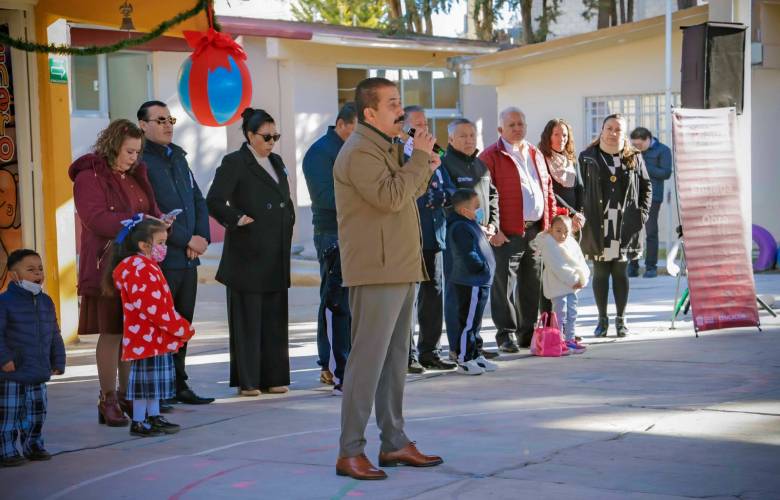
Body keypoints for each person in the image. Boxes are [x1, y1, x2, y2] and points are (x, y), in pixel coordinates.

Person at [334, 77, 442, 480]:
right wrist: (418, 160)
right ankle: (350, 451)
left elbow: (407, 192)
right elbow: (391, 197)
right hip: (376, 268)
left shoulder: (386, 146)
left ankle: (394, 441)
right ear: (370, 112)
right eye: (393, 103)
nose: (401, 110)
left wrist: (424, 164)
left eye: (400, 102)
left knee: (395, 361)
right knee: (367, 362)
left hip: (398, 264)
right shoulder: (360, 151)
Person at [69, 119, 165, 427]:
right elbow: (95, 218)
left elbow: (150, 210)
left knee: (131, 331)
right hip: (107, 265)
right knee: (111, 332)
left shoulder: (136, 175)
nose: (134, 158)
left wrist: (160, 222)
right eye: (129, 151)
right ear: (112, 146)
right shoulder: (90, 176)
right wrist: (138, 222)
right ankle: (107, 398)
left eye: (137, 152)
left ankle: (127, 394)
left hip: (137, 267)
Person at [207, 108, 295, 396]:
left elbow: (284, 198)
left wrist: (289, 219)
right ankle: (249, 380)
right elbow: (214, 200)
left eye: (275, 137)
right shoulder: (235, 162)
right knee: (248, 320)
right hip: (247, 254)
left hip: (275, 252)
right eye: (266, 137)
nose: (271, 142)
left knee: (274, 318)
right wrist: (237, 219)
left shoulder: (276, 161)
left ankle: (274, 376)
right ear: (249, 135)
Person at [138, 100, 213, 405]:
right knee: (161, 322)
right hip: (164, 258)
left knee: (182, 322)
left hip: (188, 258)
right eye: (160, 120)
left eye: (170, 119)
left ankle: (180, 382)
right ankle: (162, 387)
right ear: (143, 125)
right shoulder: (141, 161)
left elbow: (198, 199)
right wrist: (186, 240)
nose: (168, 125)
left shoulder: (178, 157)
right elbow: (152, 211)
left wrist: (202, 237)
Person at [108, 217, 194, 437]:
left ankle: (153, 416)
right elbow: (152, 307)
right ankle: (139, 421)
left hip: (155, 337)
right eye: (161, 243)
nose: (164, 248)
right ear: (144, 245)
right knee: (144, 385)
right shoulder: (139, 269)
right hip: (145, 338)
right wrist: (179, 327)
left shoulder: (147, 266)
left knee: (154, 384)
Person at [479, 107, 556, 352]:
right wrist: (493, 229)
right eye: (511, 125)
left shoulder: (535, 153)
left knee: (531, 284)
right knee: (504, 286)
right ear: (500, 129)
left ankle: (527, 333)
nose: (517, 128)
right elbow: (482, 197)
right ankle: (505, 334)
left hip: (535, 231)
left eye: (520, 124)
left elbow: (547, 189)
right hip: (506, 232)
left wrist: (549, 224)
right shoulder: (490, 156)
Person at [579, 114, 652, 338]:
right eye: (609, 128)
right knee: (601, 272)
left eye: (618, 129)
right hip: (598, 224)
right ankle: (602, 320)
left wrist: (642, 214)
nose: (613, 133)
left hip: (624, 224)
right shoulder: (587, 156)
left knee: (620, 271)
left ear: (624, 133)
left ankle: (621, 319)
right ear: (602, 130)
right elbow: (580, 189)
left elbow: (646, 186)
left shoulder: (634, 156)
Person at [302, 102, 357, 394]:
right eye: (356, 129)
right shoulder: (320, 152)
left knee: (355, 303)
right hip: (332, 234)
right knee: (336, 302)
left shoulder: (356, 149)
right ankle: (331, 365)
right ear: (341, 124)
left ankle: (352, 362)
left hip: (358, 232)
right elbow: (325, 197)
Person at [403, 105, 456, 372]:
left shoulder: (435, 152)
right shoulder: (400, 154)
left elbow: (449, 188)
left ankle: (430, 352)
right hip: (411, 235)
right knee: (409, 300)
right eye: (418, 124)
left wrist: (442, 196)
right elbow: (406, 191)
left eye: (425, 123)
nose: (424, 128)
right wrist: (429, 197)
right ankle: (407, 355)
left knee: (434, 295)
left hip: (435, 235)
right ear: (405, 128)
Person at [0, 249, 65, 467]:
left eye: (40, 269)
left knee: (36, 413)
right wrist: (4, 359)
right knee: (9, 415)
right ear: (14, 275)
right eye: (30, 269)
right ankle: (6, 450)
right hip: (12, 372)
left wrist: (58, 360)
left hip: (38, 370)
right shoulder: (4, 302)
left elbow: (54, 333)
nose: (38, 273)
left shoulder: (46, 301)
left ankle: (34, 445)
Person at [442, 118, 500, 360]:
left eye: (472, 135)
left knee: (477, 294)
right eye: (463, 136)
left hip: (481, 235)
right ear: (451, 139)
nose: (468, 140)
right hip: (459, 238)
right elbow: (449, 199)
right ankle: (457, 347)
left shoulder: (480, 165)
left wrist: (493, 223)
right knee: (458, 294)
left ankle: (473, 344)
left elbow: (492, 196)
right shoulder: (444, 164)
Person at [444, 189, 498, 376]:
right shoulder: (460, 227)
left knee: (475, 322)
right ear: (464, 210)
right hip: (471, 282)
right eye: (476, 207)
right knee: (467, 323)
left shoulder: (470, 223)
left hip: (480, 282)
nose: (480, 210)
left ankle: (475, 354)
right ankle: (464, 359)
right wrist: (482, 267)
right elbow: (468, 254)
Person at [532, 215, 590, 353]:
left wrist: (583, 277)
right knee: (560, 314)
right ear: (550, 229)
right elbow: (558, 266)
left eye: (566, 232)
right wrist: (574, 279)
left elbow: (580, 261)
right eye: (558, 231)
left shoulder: (571, 242)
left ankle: (570, 339)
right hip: (558, 286)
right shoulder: (549, 244)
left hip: (572, 287)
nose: (562, 235)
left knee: (572, 313)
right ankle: (558, 341)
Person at [628, 127, 672, 278]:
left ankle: (651, 267)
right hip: (633, 195)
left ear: (648, 139)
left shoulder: (663, 150)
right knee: (632, 231)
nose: (636, 147)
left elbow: (665, 173)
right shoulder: (632, 151)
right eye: (634, 144)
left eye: (639, 145)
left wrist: (644, 165)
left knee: (651, 231)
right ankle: (632, 266)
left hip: (653, 196)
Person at [538, 118, 585, 231]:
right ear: (548, 137)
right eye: (556, 135)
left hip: (573, 222)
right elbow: (549, 192)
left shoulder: (572, 161)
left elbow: (580, 188)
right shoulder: (540, 159)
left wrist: (579, 214)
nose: (561, 139)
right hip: (553, 220)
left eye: (564, 135)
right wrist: (572, 213)